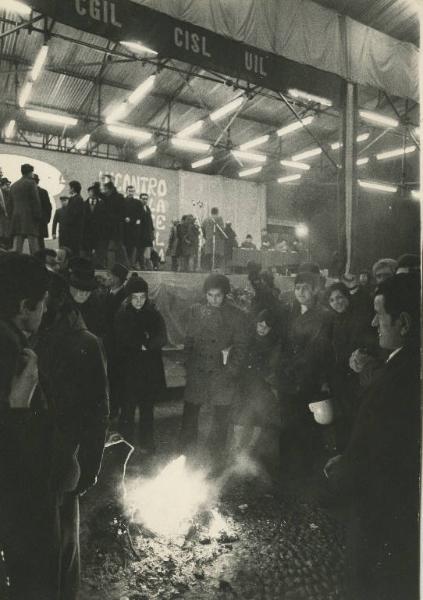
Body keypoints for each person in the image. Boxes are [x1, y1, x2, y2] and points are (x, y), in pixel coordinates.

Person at [325, 274, 420, 600]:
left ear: (404, 323)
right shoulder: (402, 365)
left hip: (381, 513)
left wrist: (346, 469)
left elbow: (384, 452)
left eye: (380, 313)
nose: (373, 321)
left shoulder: (398, 379)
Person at [0, 253, 82, 599]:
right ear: (24, 306)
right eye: (42, 304)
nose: (45, 311)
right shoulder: (12, 352)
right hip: (29, 501)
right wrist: (20, 404)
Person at [35, 273, 109, 600]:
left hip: (58, 458)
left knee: (61, 543)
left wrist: (90, 466)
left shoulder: (84, 342)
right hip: (41, 460)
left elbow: (97, 412)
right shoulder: (27, 337)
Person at [180, 274, 248, 468]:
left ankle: (216, 459)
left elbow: (241, 348)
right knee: (190, 414)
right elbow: (189, 340)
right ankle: (185, 454)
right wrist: (188, 363)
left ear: (225, 294)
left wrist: (231, 371)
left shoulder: (237, 316)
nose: (214, 300)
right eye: (210, 295)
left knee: (220, 416)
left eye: (218, 295)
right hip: (198, 373)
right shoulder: (196, 311)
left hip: (221, 373)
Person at [279, 272, 333, 478]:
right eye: (297, 287)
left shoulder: (325, 316)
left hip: (310, 378)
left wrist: (322, 379)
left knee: (308, 426)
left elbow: (324, 351)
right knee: (286, 424)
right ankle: (286, 471)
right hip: (288, 378)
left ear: (315, 290)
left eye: (306, 288)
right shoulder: (288, 312)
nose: (301, 292)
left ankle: (307, 473)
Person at [115, 277, 167, 454]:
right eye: (135, 297)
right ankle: (125, 446)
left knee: (147, 408)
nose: (138, 301)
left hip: (148, 371)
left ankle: (147, 442)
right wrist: (141, 343)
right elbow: (121, 339)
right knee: (128, 409)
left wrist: (148, 344)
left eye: (142, 297)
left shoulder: (153, 313)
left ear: (147, 297)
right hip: (128, 371)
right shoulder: (122, 314)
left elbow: (161, 336)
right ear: (129, 297)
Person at [325, 282, 375, 450]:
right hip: (339, 379)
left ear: (347, 297)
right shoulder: (334, 321)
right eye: (332, 300)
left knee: (356, 418)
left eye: (339, 297)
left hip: (355, 377)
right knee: (341, 420)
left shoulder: (359, 318)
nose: (336, 302)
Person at [232, 309, 280, 455]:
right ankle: (237, 445)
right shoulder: (249, 339)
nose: (262, 329)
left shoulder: (274, 344)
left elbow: (273, 367)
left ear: (272, 328)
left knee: (259, 416)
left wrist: (270, 382)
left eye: (266, 327)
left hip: (261, 385)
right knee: (241, 415)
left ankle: (251, 446)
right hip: (245, 383)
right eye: (260, 325)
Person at [103, 263, 129, 419]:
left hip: (117, 346)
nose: (107, 278)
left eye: (110, 276)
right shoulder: (108, 292)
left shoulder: (124, 297)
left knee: (116, 379)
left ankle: (115, 411)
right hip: (106, 344)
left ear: (118, 278)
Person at [69, 258, 106, 338]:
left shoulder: (96, 303)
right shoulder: (63, 302)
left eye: (86, 291)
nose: (82, 294)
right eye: (78, 289)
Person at [9, 163, 41, 254]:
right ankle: (34, 266)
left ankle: (16, 266)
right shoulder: (31, 183)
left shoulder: (14, 185)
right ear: (30, 172)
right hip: (30, 218)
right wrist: (38, 217)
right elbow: (36, 201)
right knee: (34, 248)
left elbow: (9, 205)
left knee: (17, 248)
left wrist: (12, 217)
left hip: (16, 219)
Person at [101, 181, 129, 268]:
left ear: (110, 189)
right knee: (118, 247)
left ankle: (112, 267)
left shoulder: (112, 198)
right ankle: (124, 266)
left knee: (112, 248)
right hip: (116, 227)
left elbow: (121, 212)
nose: (104, 191)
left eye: (105, 189)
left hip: (113, 227)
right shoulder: (116, 197)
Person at [82, 184, 109, 268]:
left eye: (94, 192)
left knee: (99, 250)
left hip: (99, 233)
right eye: (91, 192)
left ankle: (98, 265)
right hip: (86, 232)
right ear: (88, 193)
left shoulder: (103, 204)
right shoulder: (83, 204)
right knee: (87, 250)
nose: (93, 193)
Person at [123, 185, 143, 269]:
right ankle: (126, 264)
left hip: (134, 228)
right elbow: (119, 212)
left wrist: (138, 220)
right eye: (129, 191)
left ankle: (132, 264)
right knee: (125, 246)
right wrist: (124, 217)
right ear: (126, 191)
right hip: (124, 228)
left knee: (133, 246)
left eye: (132, 191)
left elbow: (140, 214)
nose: (131, 193)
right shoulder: (122, 201)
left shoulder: (138, 202)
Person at [33, 174, 52, 250]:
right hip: (40, 222)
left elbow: (48, 207)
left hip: (37, 222)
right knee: (39, 243)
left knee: (37, 243)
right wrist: (46, 220)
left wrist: (46, 220)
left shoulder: (42, 192)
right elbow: (49, 207)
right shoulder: (43, 191)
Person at [66, 181, 85, 257]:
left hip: (75, 228)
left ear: (73, 189)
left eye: (69, 188)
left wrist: (68, 222)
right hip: (73, 228)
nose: (68, 189)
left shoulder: (78, 199)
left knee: (74, 248)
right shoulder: (74, 198)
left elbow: (75, 214)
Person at [137, 192, 155, 270]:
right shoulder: (138, 208)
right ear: (140, 199)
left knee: (147, 249)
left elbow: (150, 221)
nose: (145, 200)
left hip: (147, 233)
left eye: (146, 199)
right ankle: (141, 265)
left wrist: (152, 231)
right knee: (140, 249)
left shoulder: (147, 208)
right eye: (143, 199)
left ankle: (145, 265)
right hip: (140, 233)